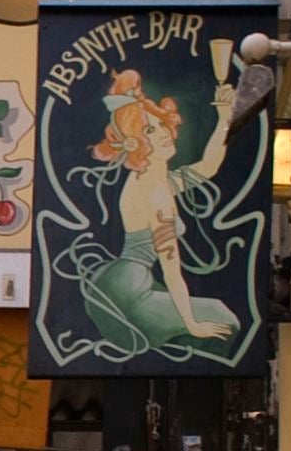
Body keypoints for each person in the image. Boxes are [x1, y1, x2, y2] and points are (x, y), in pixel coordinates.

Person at [82, 67, 239, 356]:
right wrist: (192, 324)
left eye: (161, 125)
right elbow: (171, 270)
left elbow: (208, 167)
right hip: (129, 297)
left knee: (213, 317)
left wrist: (224, 118)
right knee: (222, 318)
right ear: (136, 141)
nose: (165, 134)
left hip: (119, 285)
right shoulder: (155, 195)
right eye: (150, 131)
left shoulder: (154, 180)